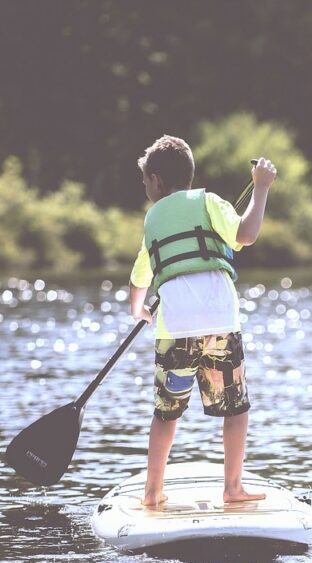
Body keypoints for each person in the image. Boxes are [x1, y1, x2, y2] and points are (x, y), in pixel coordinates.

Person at [128, 134, 276, 507]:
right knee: (235, 408)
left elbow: (140, 277)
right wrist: (260, 190)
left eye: (145, 179)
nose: (145, 186)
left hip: (174, 330)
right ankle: (233, 488)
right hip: (220, 325)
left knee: (166, 414)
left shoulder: (152, 219)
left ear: (157, 180)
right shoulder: (209, 202)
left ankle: (152, 492)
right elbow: (247, 233)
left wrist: (137, 309)